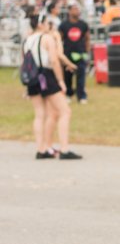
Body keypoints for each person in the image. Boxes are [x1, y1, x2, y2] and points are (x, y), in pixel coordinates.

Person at [23, 14, 82, 160]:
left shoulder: (27, 40)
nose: (49, 25)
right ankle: (64, 148)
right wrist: (61, 81)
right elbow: (54, 60)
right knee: (64, 111)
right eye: (46, 22)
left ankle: (41, 148)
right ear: (40, 24)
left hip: (32, 78)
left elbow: (24, 62)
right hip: (46, 75)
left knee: (39, 113)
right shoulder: (46, 38)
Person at [59, 2, 90, 103]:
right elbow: (59, 39)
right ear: (69, 11)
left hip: (80, 54)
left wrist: (87, 52)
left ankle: (81, 96)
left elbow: (87, 39)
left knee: (81, 76)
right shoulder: (64, 25)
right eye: (74, 9)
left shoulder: (83, 25)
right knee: (67, 76)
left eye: (78, 9)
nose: (77, 11)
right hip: (67, 55)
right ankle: (68, 94)